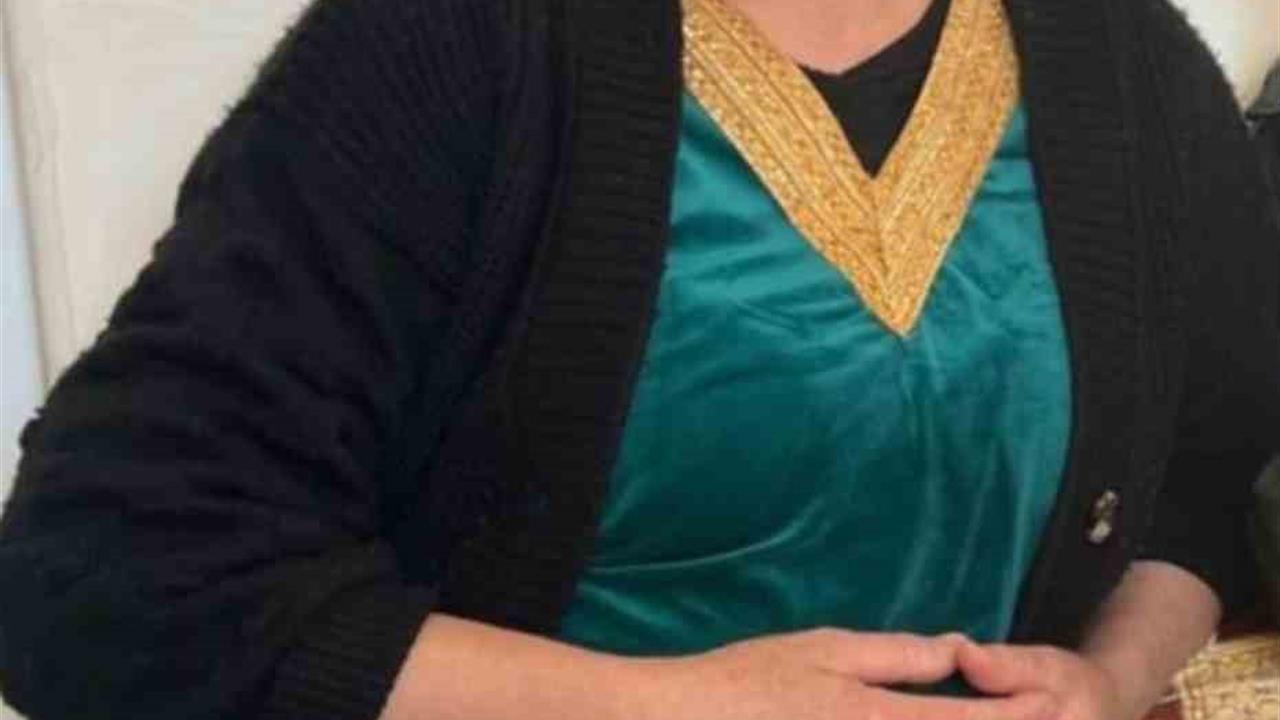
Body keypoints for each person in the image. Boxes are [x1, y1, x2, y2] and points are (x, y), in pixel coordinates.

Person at [1, 0, 1277, 718]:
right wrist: (663, 705)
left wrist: (1104, 680)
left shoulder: (1128, 69)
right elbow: (101, 577)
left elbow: (1202, 488)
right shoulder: (445, 45)